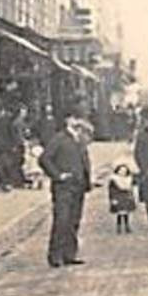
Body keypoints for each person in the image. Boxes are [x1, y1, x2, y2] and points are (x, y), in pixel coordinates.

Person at [39, 109, 93, 268]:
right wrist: (57, 175)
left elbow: (85, 161)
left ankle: (69, 254)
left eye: (79, 119)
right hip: (64, 187)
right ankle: (55, 255)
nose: (78, 122)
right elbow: (44, 159)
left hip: (79, 186)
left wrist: (87, 179)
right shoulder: (59, 139)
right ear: (68, 120)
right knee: (62, 220)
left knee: (74, 220)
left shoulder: (81, 139)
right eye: (75, 119)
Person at [108, 160, 138, 234]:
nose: (122, 172)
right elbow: (111, 191)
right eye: (121, 171)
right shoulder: (114, 180)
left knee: (126, 213)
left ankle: (127, 227)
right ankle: (119, 227)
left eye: (124, 171)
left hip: (126, 197)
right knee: (119, 214)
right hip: (118, 197)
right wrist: (113, 199)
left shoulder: (129, 179)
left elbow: (134, 186)